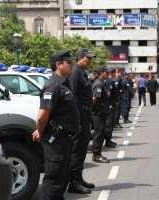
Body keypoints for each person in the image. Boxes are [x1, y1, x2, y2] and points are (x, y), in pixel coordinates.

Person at [32, 50, 79, 200]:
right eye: (68, 62)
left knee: (62, 178)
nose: (71, 64)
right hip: (56, 140)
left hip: (65, 139)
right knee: (53, 179)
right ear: (58, 64)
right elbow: (42, 116)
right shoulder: (52, 85)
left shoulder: (64, 83)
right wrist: (39, 131)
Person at [68, 48, 95, 194]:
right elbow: (72, 97)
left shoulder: (81, 72)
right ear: (80, 58)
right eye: (88, 58)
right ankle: (73, 183)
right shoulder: (75, 72)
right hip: (79, 116)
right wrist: (76, 120)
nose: (90, 61)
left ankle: (79, 178)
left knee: (82, 148)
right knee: (77, 150)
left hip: (84, 114)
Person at [91, 67, 111, 163]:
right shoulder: (98, 84)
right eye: (106, 72)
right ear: (102, 73)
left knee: (101, 132)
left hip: (101, 113)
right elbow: (94, 99)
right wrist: (92, 111)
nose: (108, 74)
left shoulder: (101, 83)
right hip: (98, 113)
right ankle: (96, 155)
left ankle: (98, 153)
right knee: (98, 133)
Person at [104, 67, 117, 148]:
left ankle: (108, 140)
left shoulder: (108, 81)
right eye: (114, 73)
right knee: (109, 124)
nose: (115, 74)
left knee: (109, 123)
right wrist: (109, 104)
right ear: (111, 73)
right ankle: (107, 141)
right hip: (110, 105)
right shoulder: (109, 81)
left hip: (110, 104)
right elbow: (108, 94)